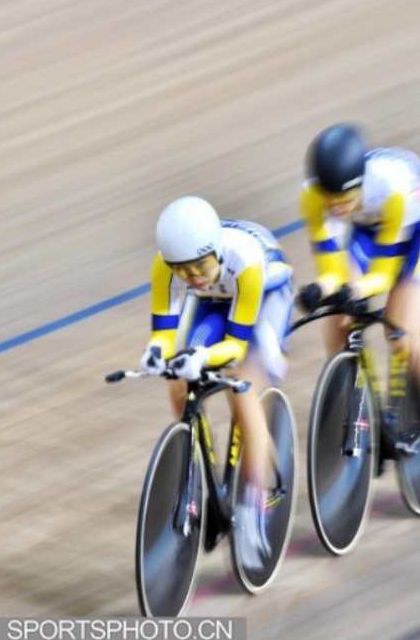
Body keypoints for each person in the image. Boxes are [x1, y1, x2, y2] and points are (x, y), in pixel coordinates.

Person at [139, 196, 294, 570]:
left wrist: (204, 356)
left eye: (200, 265)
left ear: (217, 251)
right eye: (183, 271)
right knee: (179, 381)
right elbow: (164, 332)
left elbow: (236, 346)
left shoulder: (245, 261)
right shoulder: (166, 266)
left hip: (264, 299)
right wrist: (155, 351)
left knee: (243, 385)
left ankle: (255, 504)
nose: (193, 277)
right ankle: (200, 464)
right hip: (216, 300)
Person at [296, 123, 420, 461]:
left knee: (401, 332)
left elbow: (382, 275)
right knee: (339, 321)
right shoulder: (311, 196)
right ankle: (354, 405)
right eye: (331, 201)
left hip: (417, 230)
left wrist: (354, 289)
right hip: (369, 228)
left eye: (345, 200)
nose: (337, 208)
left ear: (361, 184)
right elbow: (332, 267)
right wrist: (319, 289)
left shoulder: (392, 190)